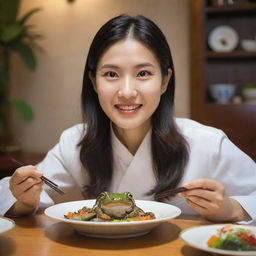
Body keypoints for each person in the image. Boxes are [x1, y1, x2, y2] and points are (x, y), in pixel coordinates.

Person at [0, 14, 255, 223]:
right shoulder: (75, 142)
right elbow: (26, 193)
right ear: (93, 81)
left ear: (165, 80)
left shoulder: (207, 143)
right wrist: (24, 199)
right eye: (111, 74)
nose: (127, 92)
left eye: (143, 73)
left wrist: (232, 209)